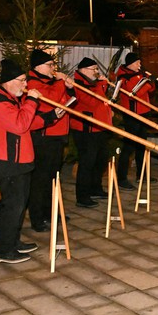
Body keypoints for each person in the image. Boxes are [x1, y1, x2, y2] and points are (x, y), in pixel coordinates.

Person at [0, 59, 44, 263]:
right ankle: (3, 250)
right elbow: (19, 124)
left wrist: (50, 117)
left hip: (18, 160)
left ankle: (13, 242)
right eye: (22, 80)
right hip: (7, 162)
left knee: (19, 205)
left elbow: (26, 121)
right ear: (8, 81)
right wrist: (32, 101)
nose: (26, 85)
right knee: (13, 206)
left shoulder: (9, 98)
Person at [26, 49, 76, 233]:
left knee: (52, 177)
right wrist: (61, 82)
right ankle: (37, 217)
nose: (53, 68)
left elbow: (69, 101)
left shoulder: (50, 82)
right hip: (44, 137)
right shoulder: (32, 83)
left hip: (57, 136)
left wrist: (69, 88)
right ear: (37, 66)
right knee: (40, 179)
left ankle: (50, 212)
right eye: (49, 65)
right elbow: (50, 100)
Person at [71, 58, 112, 208]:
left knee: (101, 159)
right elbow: (93, 101)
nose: (96, 72)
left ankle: (95, 188)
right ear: (83, 70)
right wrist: (101, 84)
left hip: (99, 128)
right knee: (87, 163)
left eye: (96, 69)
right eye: (93, 69)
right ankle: (82, 196)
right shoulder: (78, 84)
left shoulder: (93, 83)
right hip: (86, 129)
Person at [115, 52, 156, 190]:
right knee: (129, 147)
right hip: (132, 114)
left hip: (143, 113)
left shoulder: (138, 74)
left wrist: (151, 82)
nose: (140, 65)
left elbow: (150, 90)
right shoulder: (124, 77)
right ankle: (121, 178)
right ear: (131, 64)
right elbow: (135, 93)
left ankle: (142, 174)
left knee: (142, 145)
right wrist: (148, 83)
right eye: (137, 62)